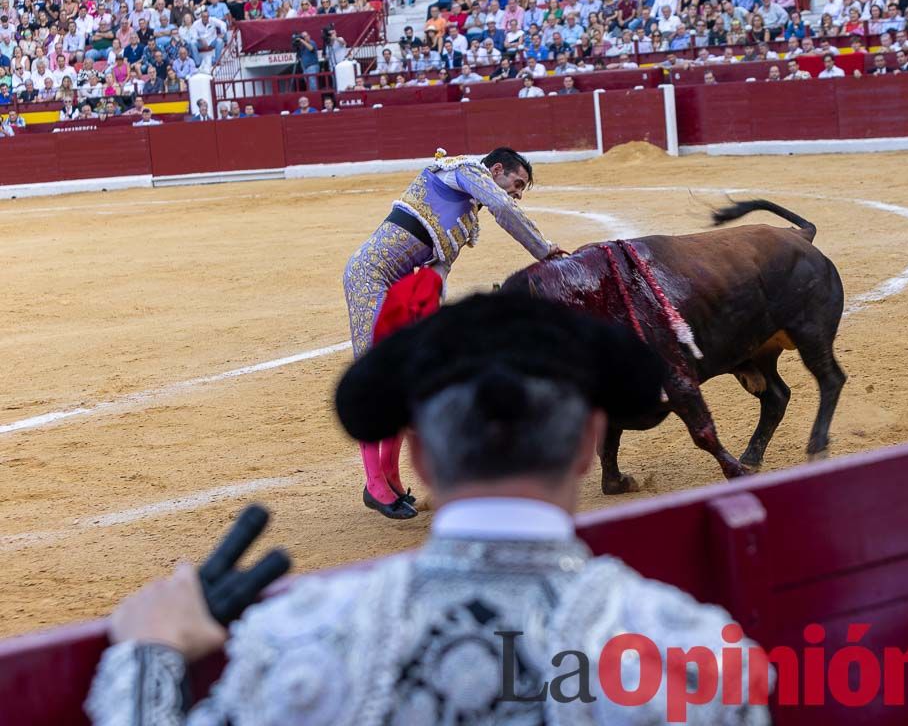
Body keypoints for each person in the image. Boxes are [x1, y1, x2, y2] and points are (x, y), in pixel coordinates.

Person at [85, 293, 772, 725]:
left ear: (415, 453)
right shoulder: (696, 658)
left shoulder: (298, 645)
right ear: (591, 442)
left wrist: (148, 657)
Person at [342, 148, 565, 519]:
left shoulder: (464, 220)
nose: (518, 192)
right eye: (517, 182)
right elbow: (506, 210)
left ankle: (392, 478)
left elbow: (436, 272)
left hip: (399, 288)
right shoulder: (460, 170)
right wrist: (542, 250)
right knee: (378, 377)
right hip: (370, 277)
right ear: (496, 170)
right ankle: (375, 485)